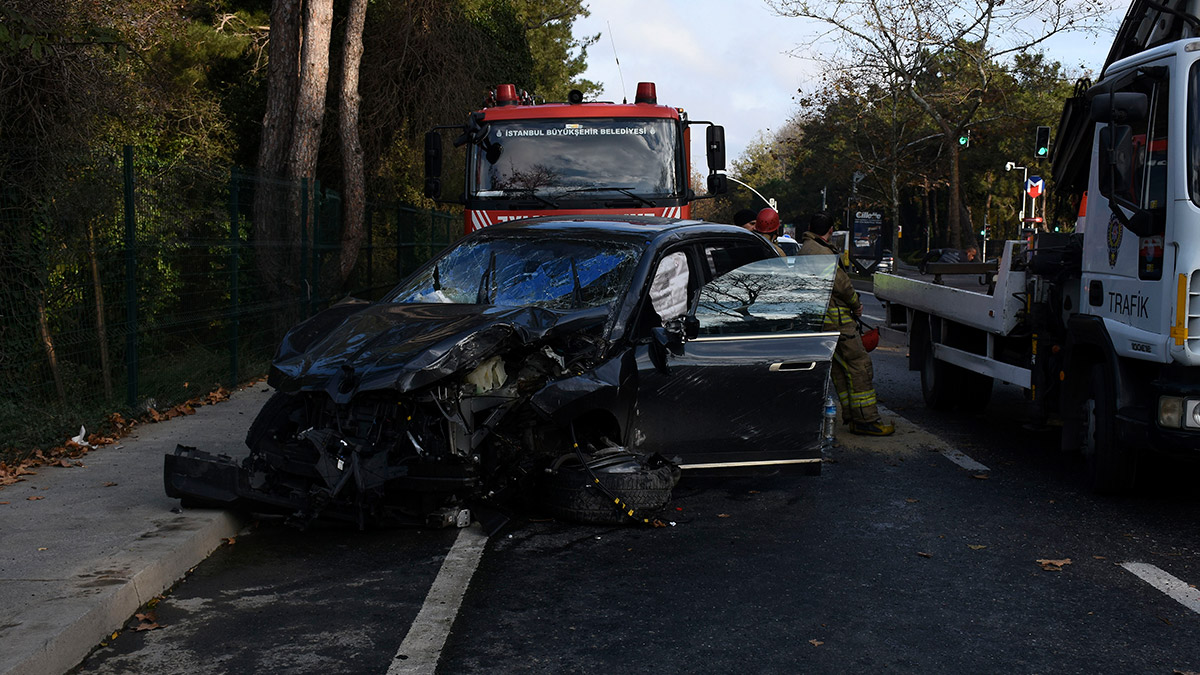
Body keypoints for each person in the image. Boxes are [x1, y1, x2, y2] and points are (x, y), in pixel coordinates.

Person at [798, 211, 894, 436]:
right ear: (829, 231)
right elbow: (842, 286)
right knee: (859, 366)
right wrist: (856, 304)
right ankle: (866, 420)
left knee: (841, 369)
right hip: (837, 321)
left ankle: (853, 416)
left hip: (821, 320)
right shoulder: (821, 253)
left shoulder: (805, 250)